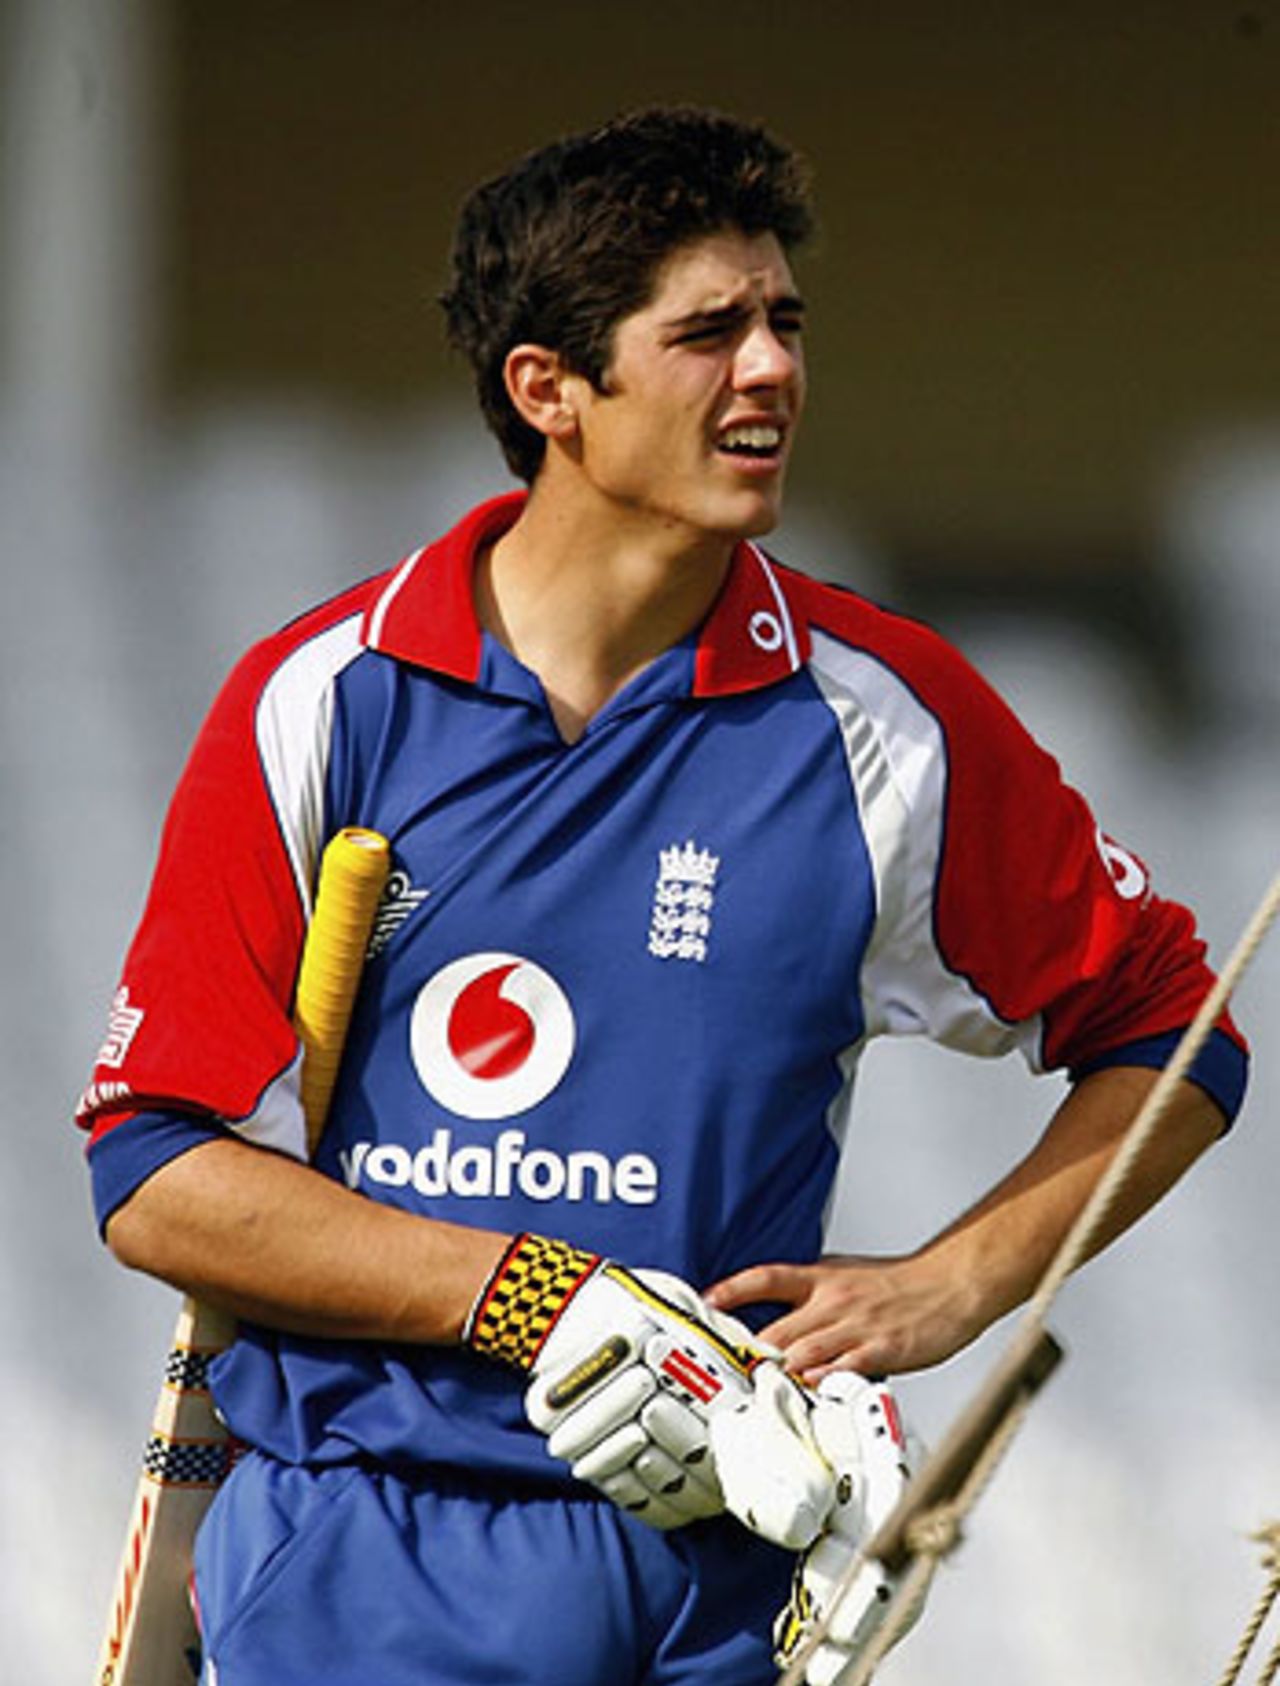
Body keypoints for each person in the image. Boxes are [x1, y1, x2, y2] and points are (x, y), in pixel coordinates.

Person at [79, 107, 1248, 1686]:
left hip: (712, 1578)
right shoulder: (325, 701)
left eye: (782, 322)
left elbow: (1175, 1029)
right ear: (549, 390)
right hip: (376, 1552)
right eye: (707, 332)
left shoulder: (882, 717)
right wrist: (540, 1300)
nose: (769, 368)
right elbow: (155, 1167)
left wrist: (953, 1284)